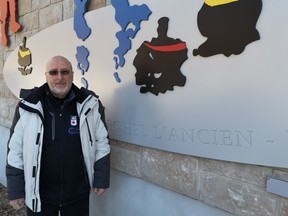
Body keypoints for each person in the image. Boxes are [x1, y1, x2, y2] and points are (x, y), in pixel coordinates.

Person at [6, 55, 110, 216]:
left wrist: (101, 178)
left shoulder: (91, 104)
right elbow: (15, 150)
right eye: (54, 72)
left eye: (65, 72)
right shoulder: (28, 106)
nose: (59, 77)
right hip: (39, 195)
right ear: (46, 75)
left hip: (77, 194)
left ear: (72, 75)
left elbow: (102, 142)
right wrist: (15, 189)